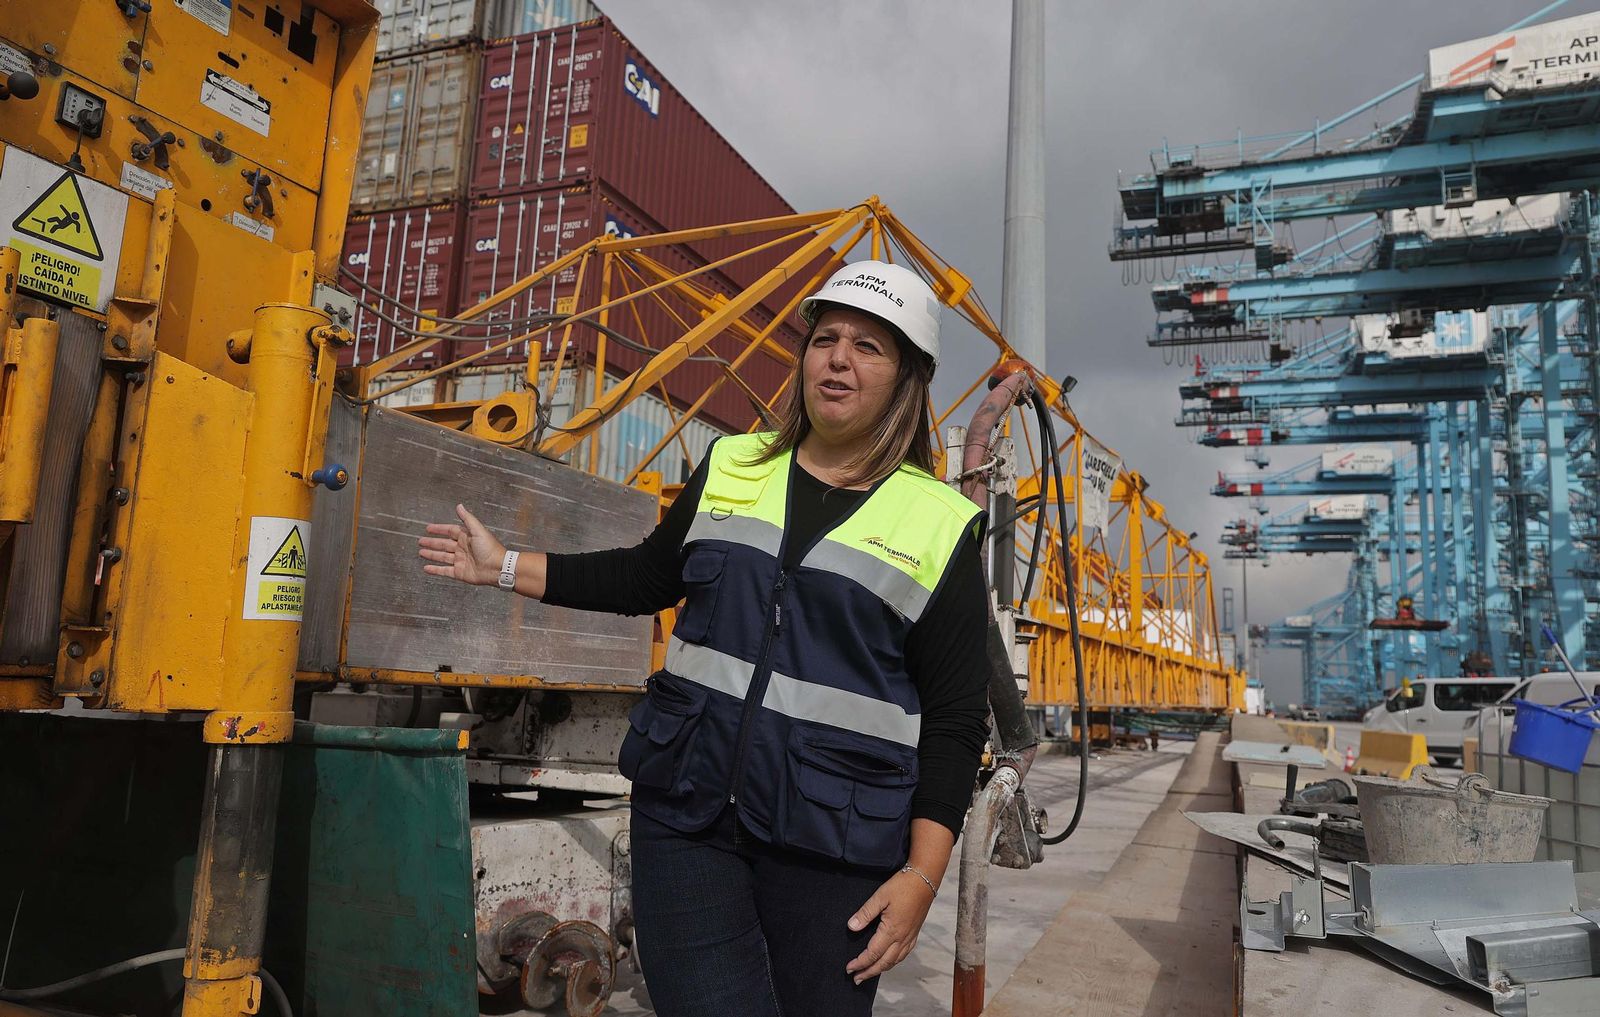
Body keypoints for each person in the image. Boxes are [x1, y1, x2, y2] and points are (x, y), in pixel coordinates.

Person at [417, 261, 991, 1016]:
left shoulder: (941, 524)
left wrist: (922, 875)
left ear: (907, 378)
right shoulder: (733, 465)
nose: (838, 359)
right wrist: (503, 566)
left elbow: (955, 718)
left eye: (868, 347)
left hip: (834, 843)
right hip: (687, 813)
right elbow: (644, 577)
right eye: (825, 340)